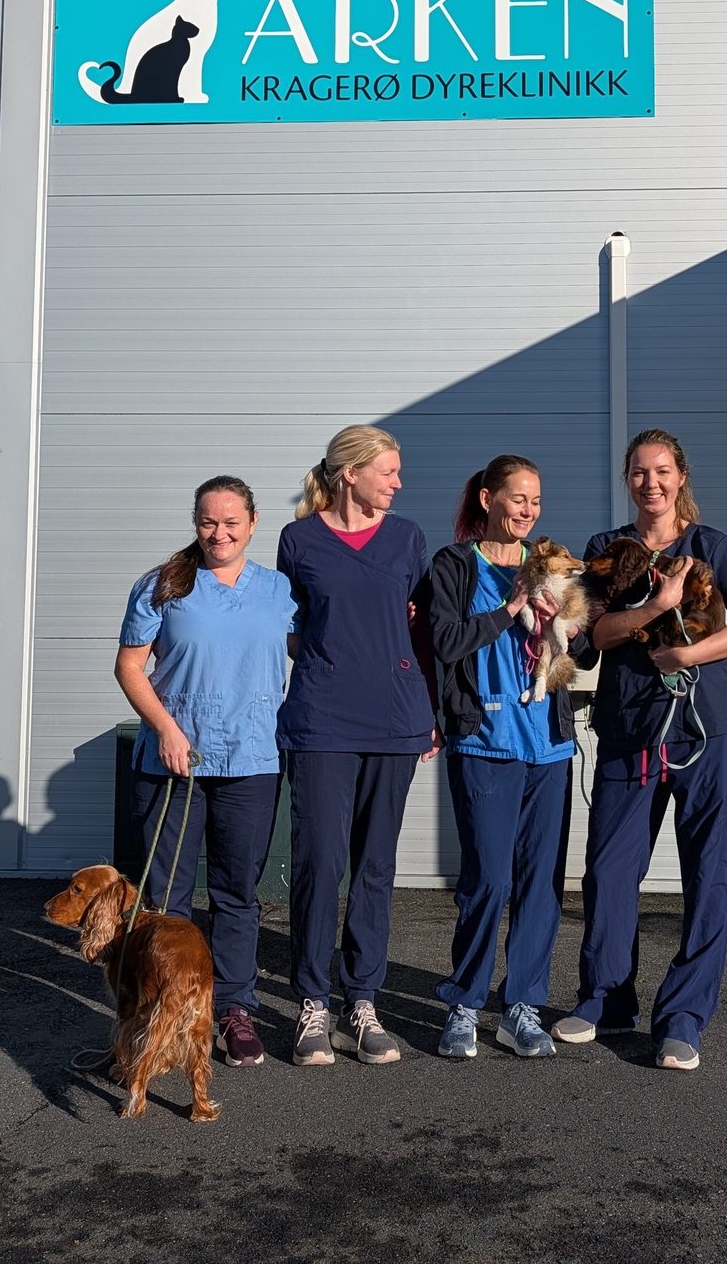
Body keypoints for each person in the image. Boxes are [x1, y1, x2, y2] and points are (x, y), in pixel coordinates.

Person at [552, 429, 727, 1071]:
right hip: (631, 731)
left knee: (709, 873)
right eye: (640, 472)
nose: (651, 483)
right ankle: (604, 1000)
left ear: (681, 478)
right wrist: (656, 607)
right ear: (627, 480)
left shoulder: (712, 547)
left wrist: (687, 654)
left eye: (662, 471)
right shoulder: (607, 549)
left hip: (706, 732)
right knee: (610, 871)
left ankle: (682, 1019)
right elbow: (592, 637)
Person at [114, 475, 296, 1068]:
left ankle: (234, 1010)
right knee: (167, 898)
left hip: (251, 759)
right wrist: (167, 729)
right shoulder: (163, 584)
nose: (219, 534)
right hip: (174, 763)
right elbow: (129, 667)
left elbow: (322, 649)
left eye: (231, 523)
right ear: (195, 523)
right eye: (208, 522)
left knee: (237, 893)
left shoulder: (279, 590)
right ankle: (163, 1009)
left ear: (253, 523)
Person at [276, 424, 438, 1065]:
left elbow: (423, 629)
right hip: (322, 720)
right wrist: (330, 657)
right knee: (319, 862)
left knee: (375, 864)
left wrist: (428, 710)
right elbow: (289, 628)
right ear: (351, 473)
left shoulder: (407, 538)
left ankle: (363, 1002)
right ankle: (312, 1003)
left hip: (395, 719)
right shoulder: (299, 540)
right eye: (388, 471)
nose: (398, 482)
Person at [425, 454, 591, 1060]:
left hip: (548, 742)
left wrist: (567, 626)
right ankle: (465, 1004)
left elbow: (583, 653)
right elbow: (446, 642)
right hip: (484, 740)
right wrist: (511, 607)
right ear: (488, 499)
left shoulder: (552, 566)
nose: (528, 510)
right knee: (487, 879)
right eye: (518, 498)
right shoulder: (454, 565)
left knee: (540, 883)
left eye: (536, 501)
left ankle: (522, 1005)